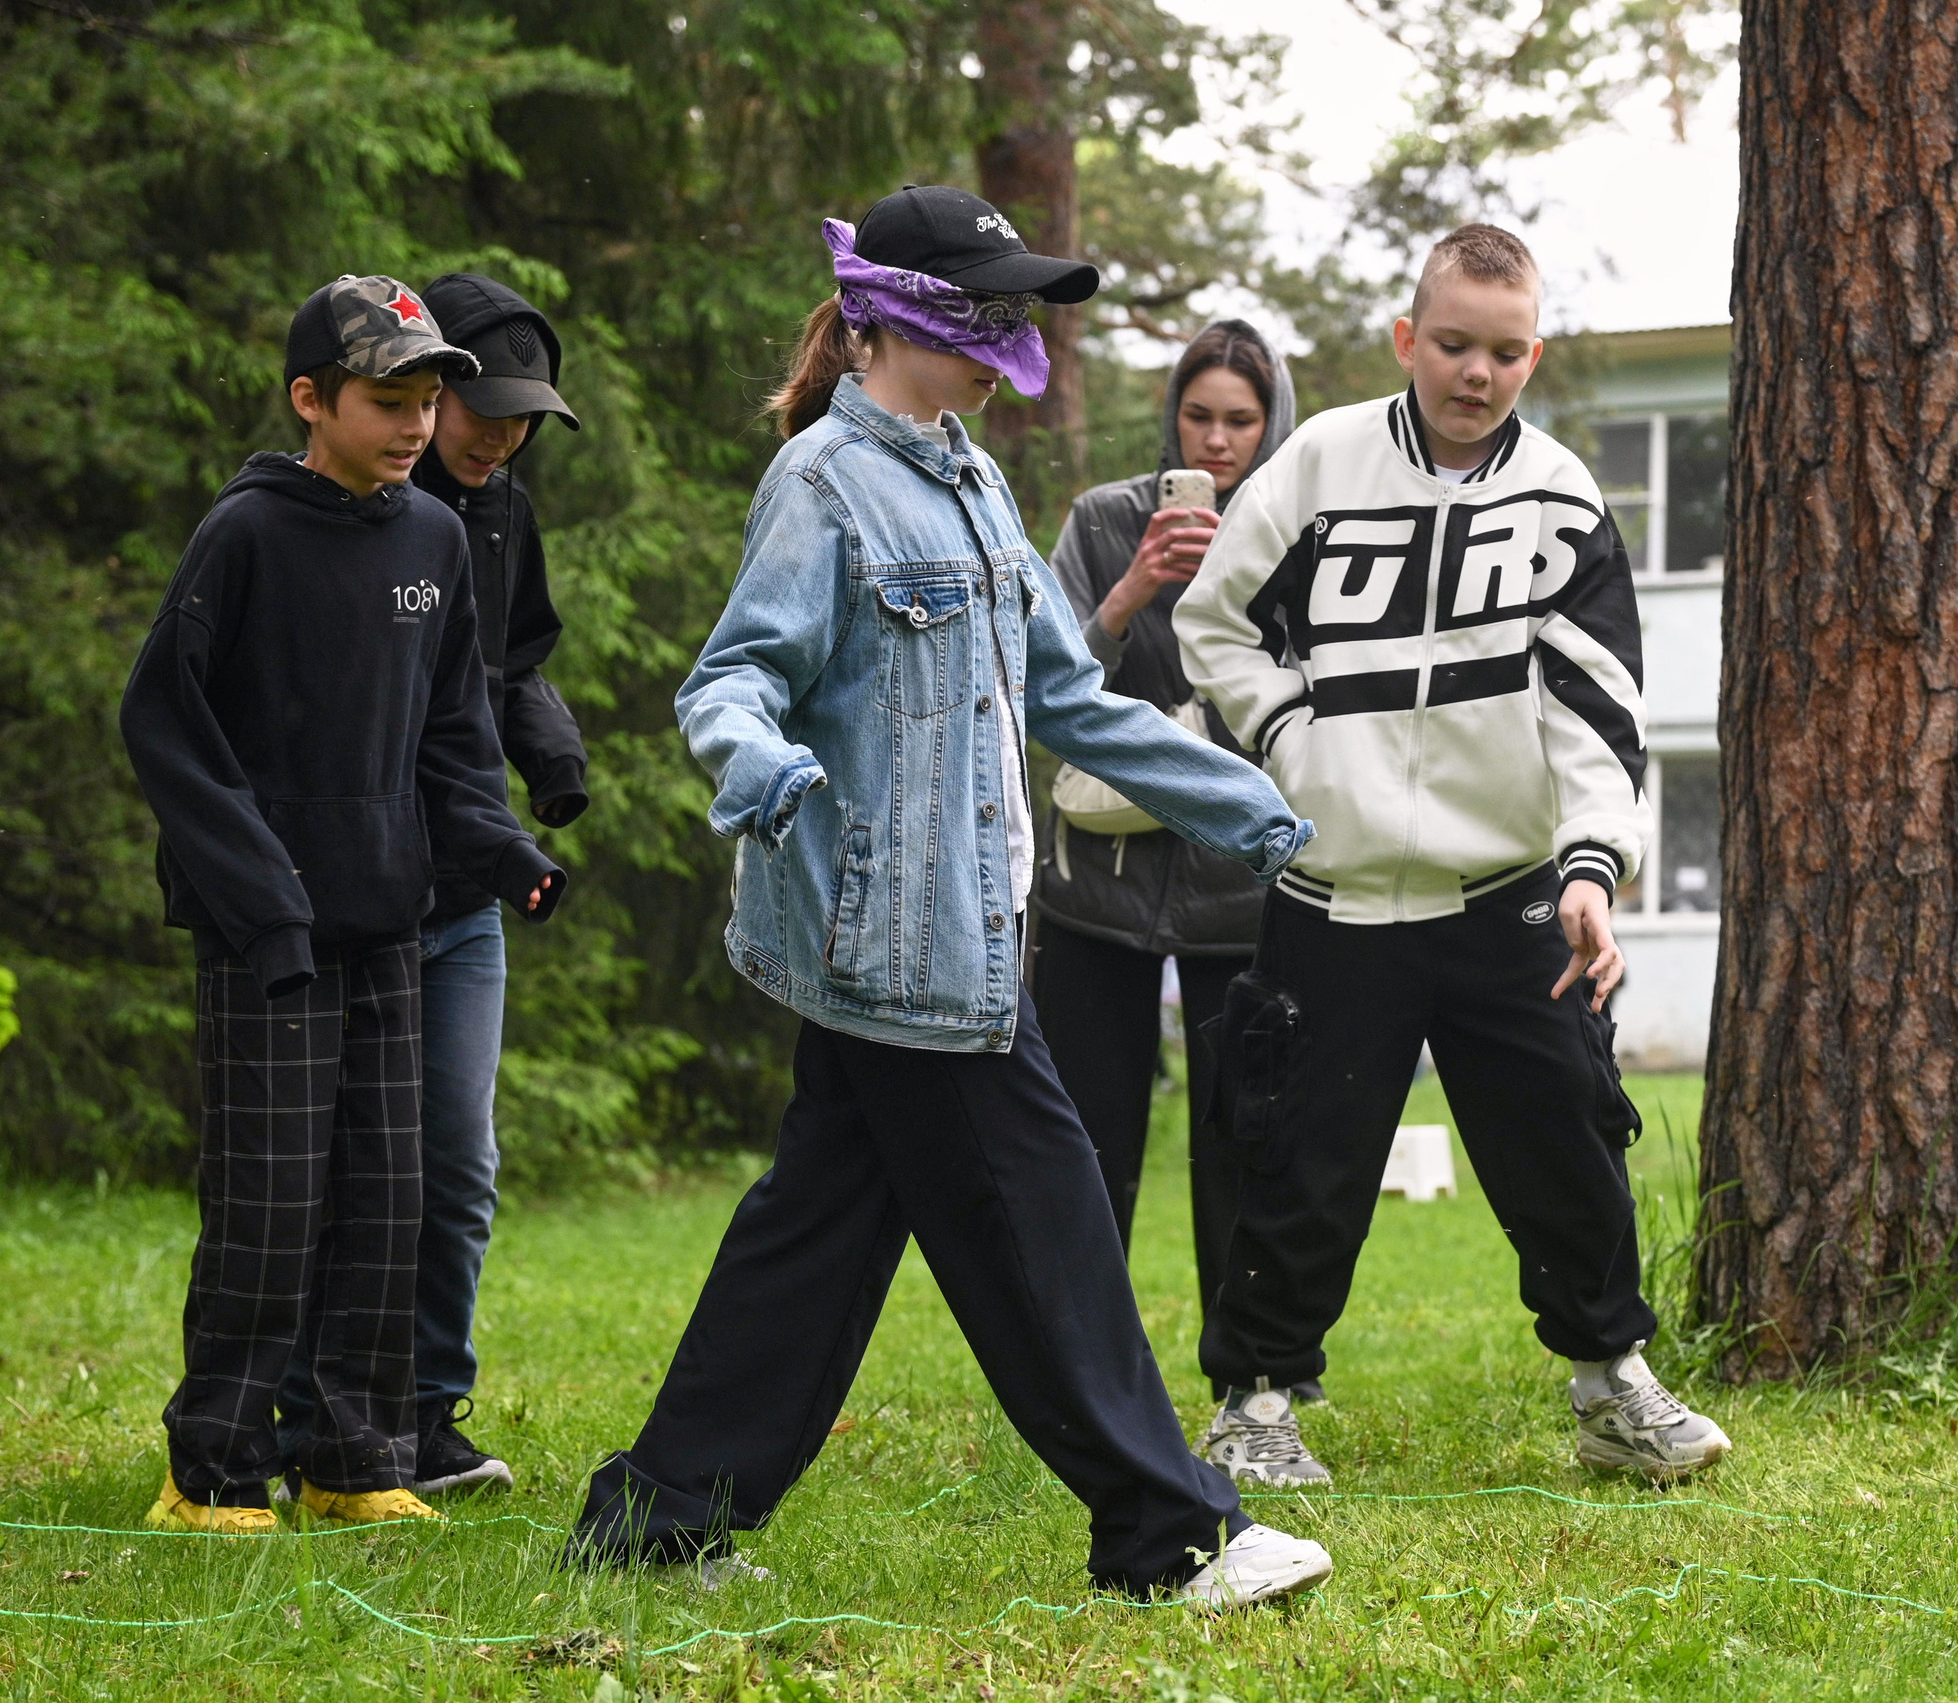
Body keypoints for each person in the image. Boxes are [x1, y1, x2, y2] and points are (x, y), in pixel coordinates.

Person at [562, 186, 1335, 1610]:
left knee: (816, 1234)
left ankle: (655, 1523)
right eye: (982, 312)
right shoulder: (820, 483)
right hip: (896, 944)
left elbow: (1072, 698)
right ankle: (1172, 1534)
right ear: (892, 317)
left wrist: (1256, 810)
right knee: (1047, 1225)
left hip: (968, 933)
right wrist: (757, 763)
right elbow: (732, 676)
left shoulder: (973, 483)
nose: (1006, 339)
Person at [1173, 225, 1731, 1488]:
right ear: (1406, 339)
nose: (1477, 372)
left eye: (1505, 350)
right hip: (1333, 892)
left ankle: (1611, 1384)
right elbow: (1214, 625)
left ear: (1533, 356)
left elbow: (1596, 707)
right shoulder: (1318, 464)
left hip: (1508, 895)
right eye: (1453, 343)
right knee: (1296, 1152)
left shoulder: (1561, 498)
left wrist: (1589, 867)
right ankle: (1255, 1404)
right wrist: (1291, 735)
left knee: (1567, 1139)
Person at [120, 274, 566, 1533]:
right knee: (270, 1206)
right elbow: (163, 719)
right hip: (267, 936)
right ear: (310, 399)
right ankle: (210, 1467)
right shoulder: (246, 533)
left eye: (428, 399)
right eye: (389, 400)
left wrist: (502, 848)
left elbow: (453, 732)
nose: (417, 424)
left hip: (388, 920)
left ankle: (352, 1459)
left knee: (384, 1203)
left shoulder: (431, 540)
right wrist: (263, 897)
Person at [270, 273, 589, 1504]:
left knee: (454, 1163)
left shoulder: (497, 517)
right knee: (333, 1167)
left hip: (461, 893)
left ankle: (421, 1411)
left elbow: (504, 672)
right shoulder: (341, 513)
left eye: (520, 421)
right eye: (481, 411)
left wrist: (549, 765)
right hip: (350, 892)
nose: (495, 438)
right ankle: (303, 1411)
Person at [1030, 321, 1306, 1348]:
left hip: (1242, 881)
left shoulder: (1300, 525)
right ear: (1171, 417)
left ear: (1273, 422)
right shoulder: (1106, 518)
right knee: (1086, 1133)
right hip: (1096, 881)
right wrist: (1132, 589)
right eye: (1198, 416)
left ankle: (1255, 1359)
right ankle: (1079, 1356)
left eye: (1241, 419)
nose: (1218, 440)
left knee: (1246, 1127)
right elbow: (1039, 680)